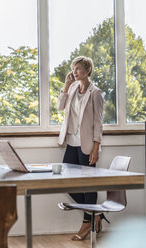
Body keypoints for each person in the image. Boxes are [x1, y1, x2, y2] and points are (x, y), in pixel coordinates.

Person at [57, 56, 104, 241]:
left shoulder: (96, 93)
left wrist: (95, 148)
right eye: (73, 69)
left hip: (86, 145)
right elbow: (60, 107)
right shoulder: (73, 88)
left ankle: (87, 223)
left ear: (87, 70)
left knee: (88, 185)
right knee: (65, 181)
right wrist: (66, 86)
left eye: (78, 69)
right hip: (71, 141)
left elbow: (98, 123)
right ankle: (95, 214)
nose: (74, 72)